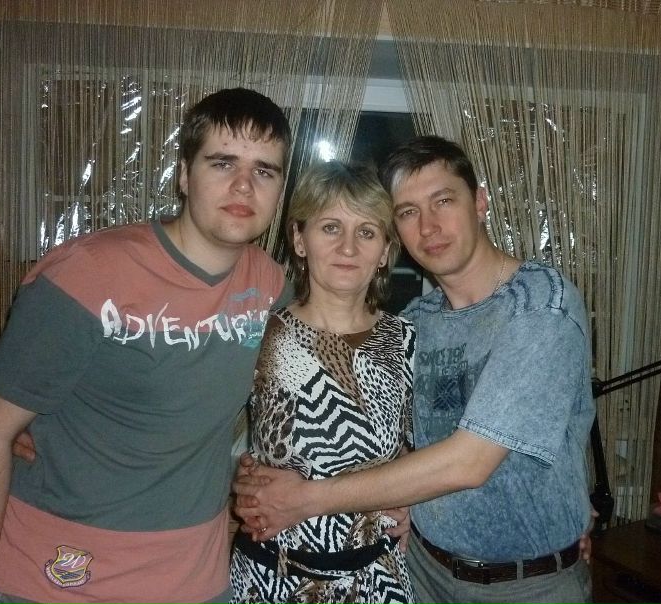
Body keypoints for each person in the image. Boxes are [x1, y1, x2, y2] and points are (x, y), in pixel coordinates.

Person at [234, 135, 596, 604]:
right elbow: (399, 443)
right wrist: (247, 475)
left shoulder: (539, 305)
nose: (429, 226)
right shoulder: (414, 325)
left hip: (525, 585)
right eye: (408, 212)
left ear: (480, 202)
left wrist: (303, 498)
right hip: (419, 572)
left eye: (443, 201)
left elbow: (469, 462)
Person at [0, 87, 294, 604]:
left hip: (193, 581)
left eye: (264, 171)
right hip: (58, 578)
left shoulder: (272, 287)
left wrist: (386, 498)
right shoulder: (86, 273)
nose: (243, 185)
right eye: (222, 163)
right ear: (184, 175)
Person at [228, 160, 415, 604]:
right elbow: (196, 426)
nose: (348, 247)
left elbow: (417, 447)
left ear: (385, 250)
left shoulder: (407, 339)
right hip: (273, 580)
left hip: (380, 581)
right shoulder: (258, 335)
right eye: (331, 227)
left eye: (367, 232)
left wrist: (415, 503)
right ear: (299, 239)